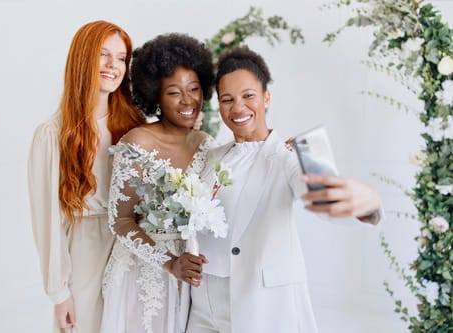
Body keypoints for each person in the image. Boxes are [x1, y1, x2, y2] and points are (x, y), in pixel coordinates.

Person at [186, 46, 382, 333]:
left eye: (248, 96)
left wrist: (367, 204)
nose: (238, 107)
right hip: (203, 303)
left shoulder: (289, 155)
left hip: (260, 304)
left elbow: (321, 196)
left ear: (266, 97)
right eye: (227, 99)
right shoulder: (211, 156)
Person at [28, 20, 145, 332]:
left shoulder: (135, 124)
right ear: (83, 58)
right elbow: (48, 221)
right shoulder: (52, 134)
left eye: (121, 58)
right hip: (86, 248)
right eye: (103, 54)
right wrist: (59, 292)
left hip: (133, 245)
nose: (113, 66)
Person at [101, 33, 215, 333]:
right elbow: (120, 221)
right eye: (174, 92)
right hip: (142, 273)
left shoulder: (206, 143)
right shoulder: (137, 142)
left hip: (188, 275)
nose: (188, 100)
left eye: (194, 88)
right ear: (156, 97)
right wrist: (168, 263)